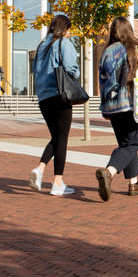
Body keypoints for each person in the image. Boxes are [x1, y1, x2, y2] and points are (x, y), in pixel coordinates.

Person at [95, 17, 138, 202]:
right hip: (132, 105)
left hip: (113, 107)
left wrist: (104, 108)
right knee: (133, 144)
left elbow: (102, 83)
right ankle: (109, 172)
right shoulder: (137, 48)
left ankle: (134, 183)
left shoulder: (106, 52)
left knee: (126, 145)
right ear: (129, 30)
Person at [28, 15, 80, 196]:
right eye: (69, 29)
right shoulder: (63, 43)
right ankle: (57, 182)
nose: (70, 33)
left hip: (43, 98)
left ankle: (40, 169)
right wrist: (77, 73)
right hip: (60, 96)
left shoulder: (42, 45)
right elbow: (71, 68)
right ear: (65, 29)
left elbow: (36, 71)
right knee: (62, 138)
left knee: (57, 137)